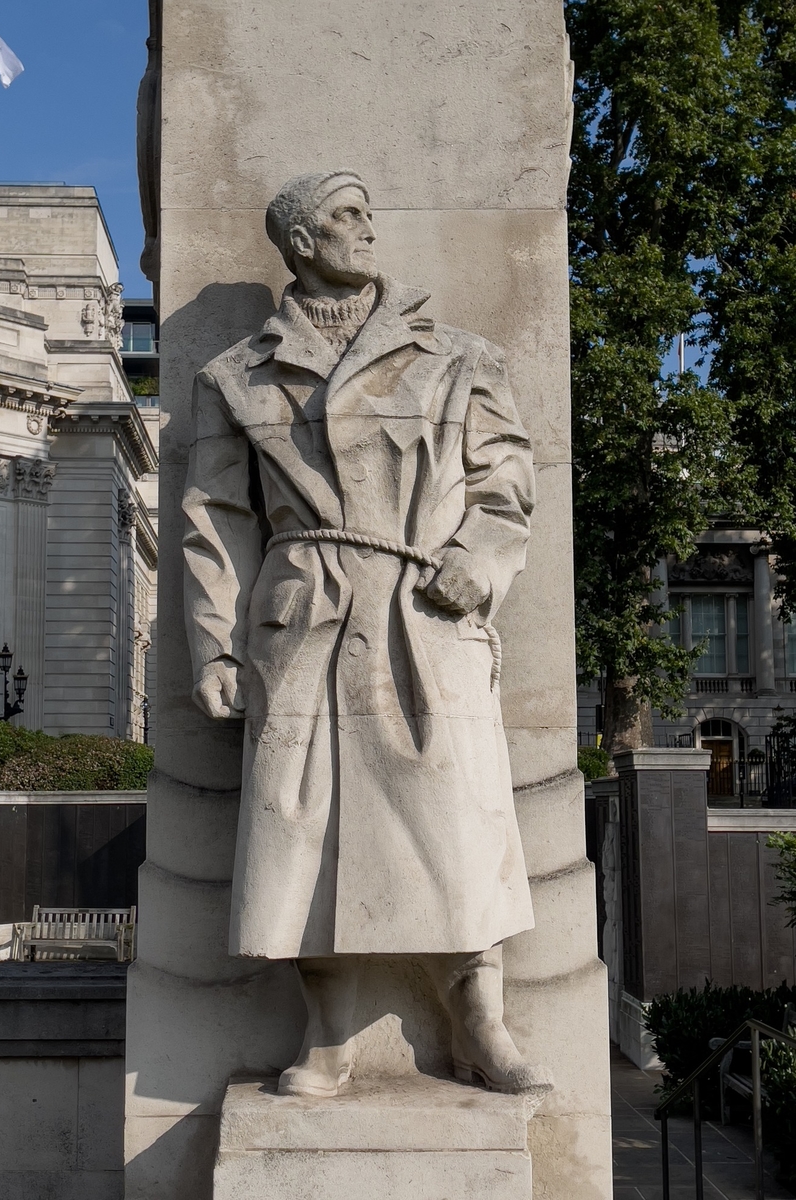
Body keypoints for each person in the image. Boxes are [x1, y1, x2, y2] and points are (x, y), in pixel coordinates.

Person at [183, 170, 550, 1097]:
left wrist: (482, 555)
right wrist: (215, 647)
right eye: (345, 216)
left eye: (368, 213)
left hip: (425, 614)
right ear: (299, 243)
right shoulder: (233, 376)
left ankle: (481, 1021)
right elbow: (216, 522)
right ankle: (328, 1034)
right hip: (304, 618)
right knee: (301, 829)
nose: (367, 228)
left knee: (461, 822)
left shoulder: (461, 357)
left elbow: (507, 483)